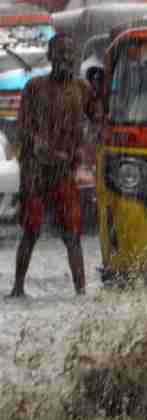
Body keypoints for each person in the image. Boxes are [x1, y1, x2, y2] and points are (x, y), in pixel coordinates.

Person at [8, 33, 98, 299]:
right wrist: (38, 147)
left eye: (69, 54)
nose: (65, 59)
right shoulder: (35, 87)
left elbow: (98, 119)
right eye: (60, 54)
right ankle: (18, 287)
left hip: (64, 174)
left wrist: (85, 147)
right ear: (50, 57)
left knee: (72, 234)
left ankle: (80, 291)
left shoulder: (81, 90)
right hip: (36, 173)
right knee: (31, 232)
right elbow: (22, 128)